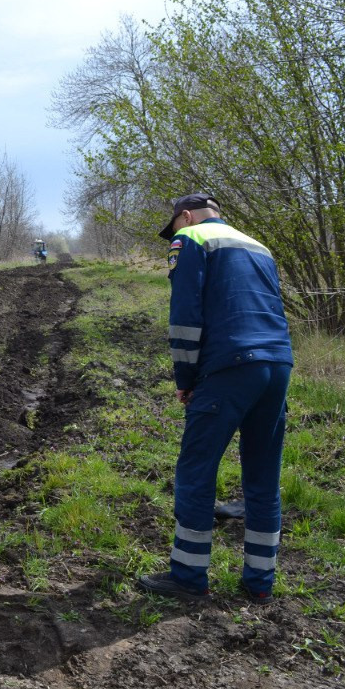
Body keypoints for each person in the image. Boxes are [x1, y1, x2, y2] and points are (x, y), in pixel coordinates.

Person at [138, 194, 293, 605]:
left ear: (185, 216)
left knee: (196, 471)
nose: (174, 234)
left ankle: (188, 577)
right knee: (263, 478)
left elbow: (185, 315)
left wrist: (185, 378)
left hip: (228, 367)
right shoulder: (259, 246)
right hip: (278, 364)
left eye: (174, 226)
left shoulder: (190, 239)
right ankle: (260, 583)